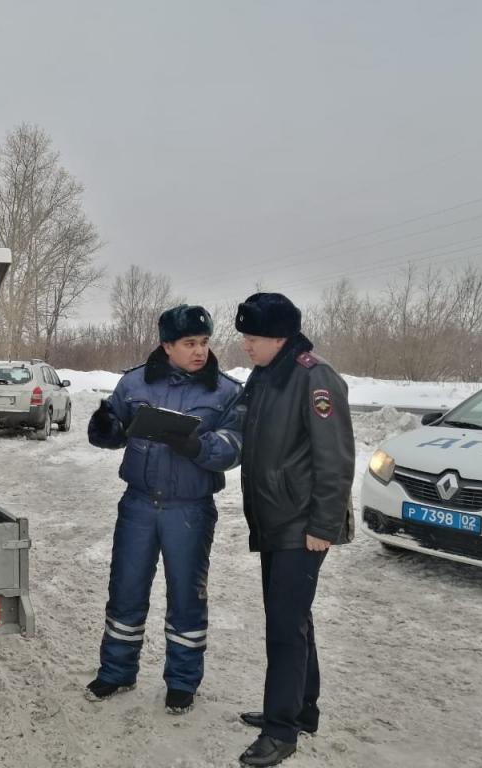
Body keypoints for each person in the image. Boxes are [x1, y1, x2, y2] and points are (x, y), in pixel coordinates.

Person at [85, 304, 243, 714]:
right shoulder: (134, 382)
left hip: (189, 509)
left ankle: (182, 682)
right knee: (126, 588)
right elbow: (113, 430)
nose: (199, 352)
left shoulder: (224, 392)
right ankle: (117, 671)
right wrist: (105, 428)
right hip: (137, 503)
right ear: (166, 345)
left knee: (187, 595)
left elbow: (234, 448)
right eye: (190, 343)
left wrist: (197, 445)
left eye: (205, 343)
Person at [233, 293, 355, 767]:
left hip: (302, 526)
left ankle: (280, 730)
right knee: (294, 619)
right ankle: (303, 710)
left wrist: (323, 525)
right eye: (245, 335)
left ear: (279, 337)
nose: (246, 345)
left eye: (253, 337)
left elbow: (336, 457)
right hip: (275, 519)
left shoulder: (313, 377)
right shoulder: (268, 375)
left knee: (284, 628)